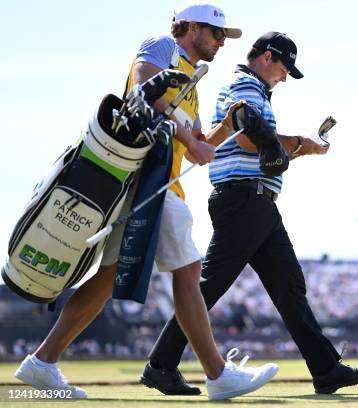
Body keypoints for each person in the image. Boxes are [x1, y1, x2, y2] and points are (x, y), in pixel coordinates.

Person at [14, 4, 278, 400]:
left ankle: (41, 361)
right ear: (191, 28)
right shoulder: (161, 47)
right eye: (216, 34)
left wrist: (234, 124)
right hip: (145, 180)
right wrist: (189, 140)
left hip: (156, 183)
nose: (222, 44)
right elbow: (140, 94)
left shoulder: (192, 80)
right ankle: (219, 375)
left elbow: (198, 148)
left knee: (107, 279)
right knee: (188, 271)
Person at [142, 31, 358, 396]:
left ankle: (327, 370)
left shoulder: (254, 89)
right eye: (284, 68)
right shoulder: (245, 85)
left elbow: (264, 150)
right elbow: (249, 138)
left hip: (256, 203)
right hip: (243, 201)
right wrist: (303, 143)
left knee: (290, 288)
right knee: (208, 288)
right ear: (267, 57)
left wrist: (298, 148)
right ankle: (160, 365)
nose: (284, 77)